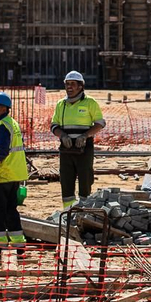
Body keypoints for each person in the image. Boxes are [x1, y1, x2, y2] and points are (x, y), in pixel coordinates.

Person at [50, 70, 105, 210]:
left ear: (80, 86)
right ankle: (68, 212)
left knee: (85, 180)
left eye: (73, 84)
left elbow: (100, 123)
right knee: (66, 182)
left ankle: (84, 212)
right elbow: (54, 125)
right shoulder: (61, 105)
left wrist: (85, 136)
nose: (69, 87)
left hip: (84, 149)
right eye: (67, 84)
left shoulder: (90, 103)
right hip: (66, 149)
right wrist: (62, 135)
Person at [0, 92, 28, 248]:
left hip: (1, 176)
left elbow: (2, 150)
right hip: (14, 175)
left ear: (4, 108)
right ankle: (18, 242)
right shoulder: (12, 123)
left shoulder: (1, 126)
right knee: (11, 210)